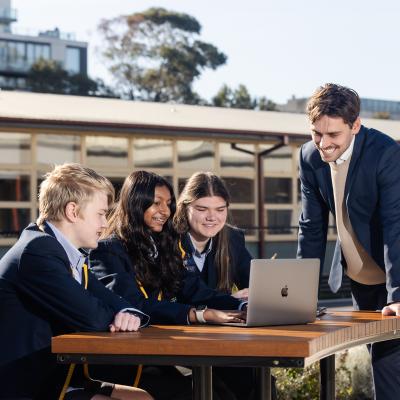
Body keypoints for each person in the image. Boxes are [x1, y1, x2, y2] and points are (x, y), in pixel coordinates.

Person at [89, 170, 246, 400]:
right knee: (195, 393)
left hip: (157, 353)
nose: (165, 211)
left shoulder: (162, 243)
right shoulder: (107, 250)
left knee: (230, 385)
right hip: (125, 362)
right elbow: (136, 305)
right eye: (156, 203)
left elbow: (193, 289)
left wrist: (241, 307)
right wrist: (198, 315)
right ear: (135, 203)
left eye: (169, 203)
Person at [0, 163, 152, 400]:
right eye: (100, 214)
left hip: (59, 376)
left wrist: (127, 313)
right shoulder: (37, 251)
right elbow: (92, 316)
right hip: (25, 387)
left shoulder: (68, 254)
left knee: (140, 396)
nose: (105, 224)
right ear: (72, 211)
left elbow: (118, 302)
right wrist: (119, 316)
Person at [297, 83, 400, 400]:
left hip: (394, 274)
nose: (323, 144)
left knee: (388, 366)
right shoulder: (309, 157)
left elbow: (395, 223)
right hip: (360, 276)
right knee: (376, 358)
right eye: (317, 133)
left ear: (355, 126)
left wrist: (398, 295)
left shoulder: (385, 153)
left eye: (333, 136)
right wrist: (300, 295)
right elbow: (312, 227)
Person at [174, 172, 274, 400]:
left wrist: (259, 296)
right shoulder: (170, 240)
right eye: (202, 209)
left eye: (220, 210)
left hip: (220, 338)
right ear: (185, 207)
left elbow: (255, 282)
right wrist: (237, 301)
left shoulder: (231, 237)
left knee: (260, 381)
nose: (212, 217)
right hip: (178, 336)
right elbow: (190, 291)